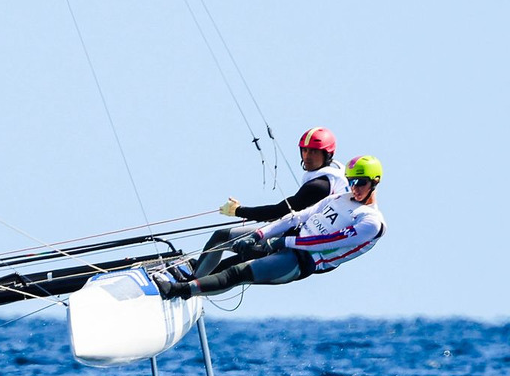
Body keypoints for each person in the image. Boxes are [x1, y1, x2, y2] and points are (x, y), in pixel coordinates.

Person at [157, 155, 386, 299]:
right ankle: (191, 281)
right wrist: (259, 235)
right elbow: (295, 218)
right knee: (230, 246)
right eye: (351, 181)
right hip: (287, 242)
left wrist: (283, 242)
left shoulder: (371, 221)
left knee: (238, 273)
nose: (354, 188)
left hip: (301, 261)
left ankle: (176, 291)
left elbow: (327, 241)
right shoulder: (340, 199)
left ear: (375, 182)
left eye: (361, 183)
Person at [190, 127, 350, 280]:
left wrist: (238, 211)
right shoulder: (335, 173)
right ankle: (197, 274)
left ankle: (189, 284)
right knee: (225, 244)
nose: (307, 156)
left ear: (328, 154)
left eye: (314, 152)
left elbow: (279, 211)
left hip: (303, 249)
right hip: (300, 234)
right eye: (304, 150)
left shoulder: (319, 186)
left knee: (223, 241)